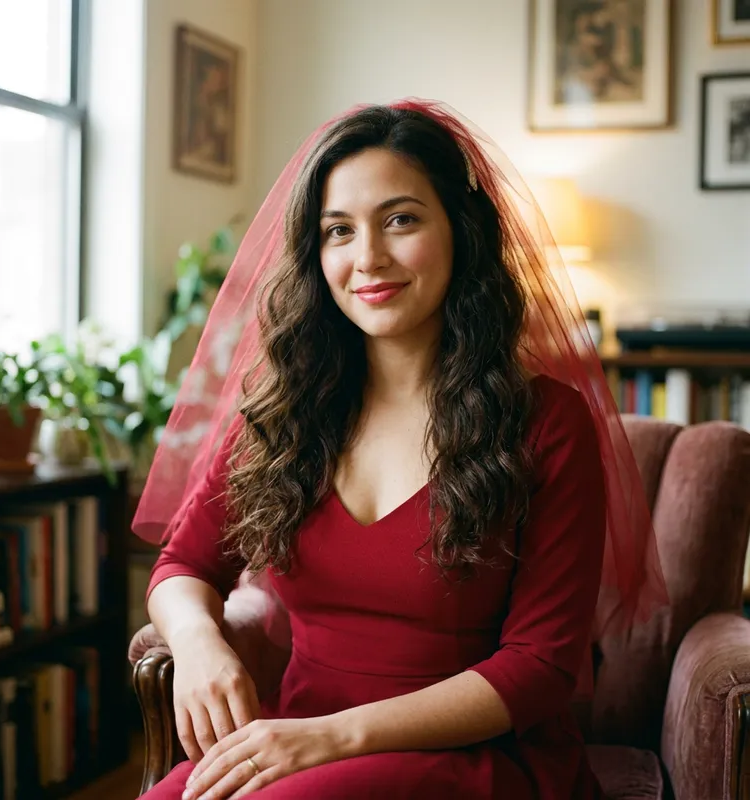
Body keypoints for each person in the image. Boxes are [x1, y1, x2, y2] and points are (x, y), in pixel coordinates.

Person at [134, 100, 666, 799]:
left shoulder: (546, 421)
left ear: (460, 230)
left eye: (401, 219)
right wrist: (201, 645)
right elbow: (182, 564)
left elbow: (541, 666)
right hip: (298, 740)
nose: (368, 258)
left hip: (475, 756)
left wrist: (330, 736)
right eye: (338, 231)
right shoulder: (284, 415)